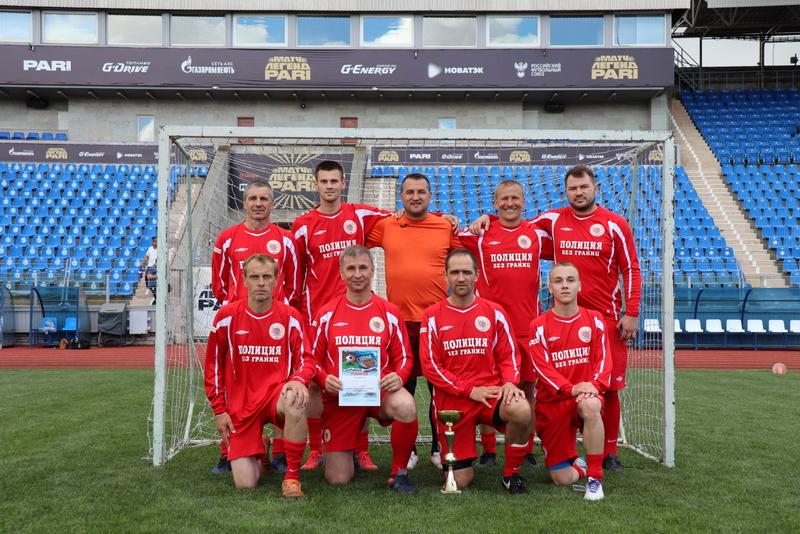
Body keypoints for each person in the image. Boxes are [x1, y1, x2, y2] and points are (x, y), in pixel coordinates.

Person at [473, 164, 641, 471]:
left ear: (596, 189)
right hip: (559, 319)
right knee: (559, 387)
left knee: (609, 387)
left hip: (604, 318)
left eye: (584, 187)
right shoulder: (552, 220)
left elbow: (631, 268)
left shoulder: (615, 224)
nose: (579, 193)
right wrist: (490, 218)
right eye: (573, 188)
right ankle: (557, 446)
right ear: (565, 192)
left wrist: (631, 312)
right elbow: (514, 225)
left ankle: (609, 452)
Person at [291, 160, 391, 471]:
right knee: (315, 385)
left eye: (334, 181)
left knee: (359, 377)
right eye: (324, 181)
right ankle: (317, 449)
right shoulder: (303, 225)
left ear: (343, 183)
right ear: (316, 185)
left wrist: (444, 218)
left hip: (357, 313)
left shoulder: (358, 215)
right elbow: (297, 274)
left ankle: (361, 449)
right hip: (316, 317)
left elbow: (402, 218)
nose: (330, 186)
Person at [367, 173, 462, 469]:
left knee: (439, 390)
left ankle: (438, 446)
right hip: (399, 324)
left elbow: (469, 251)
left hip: (436, 323)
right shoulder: (387, 225)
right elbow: (353, 232)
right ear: (401, 196)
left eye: (421, 191)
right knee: (402, 386)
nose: (416, 197)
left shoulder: (444, 226)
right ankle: (407, 450)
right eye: (409, 192)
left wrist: (454, 219)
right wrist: (384, 213)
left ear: (430, 195)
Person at [420, 248, 531, 493]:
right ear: (445, 276)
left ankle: (511, 474)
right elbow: (430, 366)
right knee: (460, 481)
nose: (461, 278)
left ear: (476, 275)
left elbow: (509, 355)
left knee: (522, 409)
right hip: (453, 403)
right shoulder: (432, 316)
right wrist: (469, 390)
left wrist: (510, 382)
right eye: (455, 272)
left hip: (490, 395)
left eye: (466, 272)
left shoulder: (494, 311)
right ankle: (458, 459)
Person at [203, 254, 314, 497]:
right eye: (254, 277)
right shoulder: (226, 317)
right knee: (246, 484)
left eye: (267, 276)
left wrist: (298, 380)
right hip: (241, 405)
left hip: (276, 395)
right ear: (244, 280)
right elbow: (213, 366)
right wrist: (219, 410)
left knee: (296, 398)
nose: (261, 282)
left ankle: (292, 477)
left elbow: (307, 359)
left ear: (276, 280)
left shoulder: (290, 316)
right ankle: (261, 445)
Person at [310, 245, 419, 493]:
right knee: (338, 478)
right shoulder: (326, 314)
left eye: (363, 268)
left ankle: (399, 473)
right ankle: (346, 450)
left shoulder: (389, 312)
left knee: (406, 404)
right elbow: (311, 360)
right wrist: (325, 379)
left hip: (379, 392)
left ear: (372, 270)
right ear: (341, 273)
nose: (357, 274)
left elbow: (405, 356)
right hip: (341, 396)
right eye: (351, 269)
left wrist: (400, 376)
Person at [459, 179, 551, 468]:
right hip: (490, 330)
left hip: (527, 328)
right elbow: (446, 231)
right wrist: (480, 219)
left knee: (528, 389)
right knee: (488, 387)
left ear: (524, 201)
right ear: (495, 203)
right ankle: (488, 449)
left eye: (515, 198)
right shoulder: (480, 233)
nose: (510, 203)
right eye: (504, 199)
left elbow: (566, 233)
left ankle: (525, 447)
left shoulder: (537, 234)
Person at [210, 180, 300, 474]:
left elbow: (293, 284)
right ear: (244, 202)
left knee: (281, 382)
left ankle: (282, 452)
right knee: (233, 384)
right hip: (238, 323)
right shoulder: (227, 238)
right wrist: (236, 309)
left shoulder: (286, 240)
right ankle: (228, 450)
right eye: (252, 198)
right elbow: (219, 284)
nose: (258, 203)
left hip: (276, 324)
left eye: (263, 198)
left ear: (272, 203)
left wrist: (277, 311)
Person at [527, 262, 611, 501]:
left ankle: (594, 478)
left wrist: (594, 387)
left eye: (570, 280)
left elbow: (604, 361)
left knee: (591, 405)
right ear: (550, 288)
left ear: (579, 286)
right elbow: (542, 369)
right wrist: (571, 388)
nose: (565, 285)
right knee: (561, 479)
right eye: (558, 281)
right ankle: (578, 464)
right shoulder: (538, 326)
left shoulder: (595, 320)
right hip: (553, 404)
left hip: (586, 396)